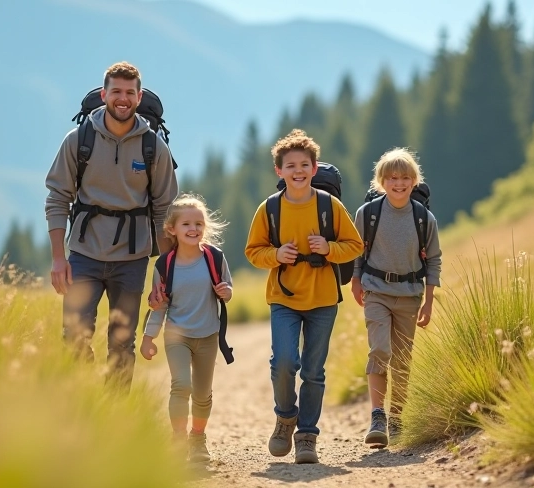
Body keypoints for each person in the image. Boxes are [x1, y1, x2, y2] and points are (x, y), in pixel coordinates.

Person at [45, 61, 178, 392]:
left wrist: (165, 273)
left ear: (139, 96)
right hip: (84, 253)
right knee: (73, 336)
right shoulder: (79, 141)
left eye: (129, 93)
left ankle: (114, 420)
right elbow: (57, 198)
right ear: (104, 94)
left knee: (122, 344)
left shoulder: (153, 147)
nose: (123, 99)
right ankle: (83, 404)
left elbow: (166, 212)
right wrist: (59, 259)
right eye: (116, 91)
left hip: (132, 257)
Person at [244, 129, 364, 464]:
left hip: (323, 299)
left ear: (314, 168)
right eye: (290, 165)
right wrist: (276, 255)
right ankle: (285, 417)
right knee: (284, 362)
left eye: (304, 164)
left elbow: (355, 246)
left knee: (313, 371)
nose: (298, 170)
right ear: (278, 171)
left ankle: (307, 436)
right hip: (283, 297)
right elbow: (253, 251)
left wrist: (329, 248)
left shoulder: (330, 205)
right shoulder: (269, 209)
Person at [350, 147, 441, 447]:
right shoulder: (369, 213)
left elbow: (433, 261)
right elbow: (357, 250)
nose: (398, 183)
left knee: (403, 359)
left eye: (404, 177)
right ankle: (378, 415)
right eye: (392, 178)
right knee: (380, 349)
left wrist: (428, 301)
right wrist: (355, 281)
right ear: (381, 182)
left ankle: (397, 417)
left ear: (414, 181)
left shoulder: (423, 218)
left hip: (410, 295)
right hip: (376, 290)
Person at [140, 193, 233, 464]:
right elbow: (159, 305)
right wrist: (148, 338)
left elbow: (226, 289)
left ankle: (198, 440)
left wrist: (226, 293)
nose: (194, 229)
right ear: (172, 229)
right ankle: (178, 440)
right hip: (176, 334)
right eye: (186, 224)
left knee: (203, 394)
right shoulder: (164, 265)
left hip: (208, 334)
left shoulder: (214, 258)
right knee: (181, 385)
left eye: (199, 224)